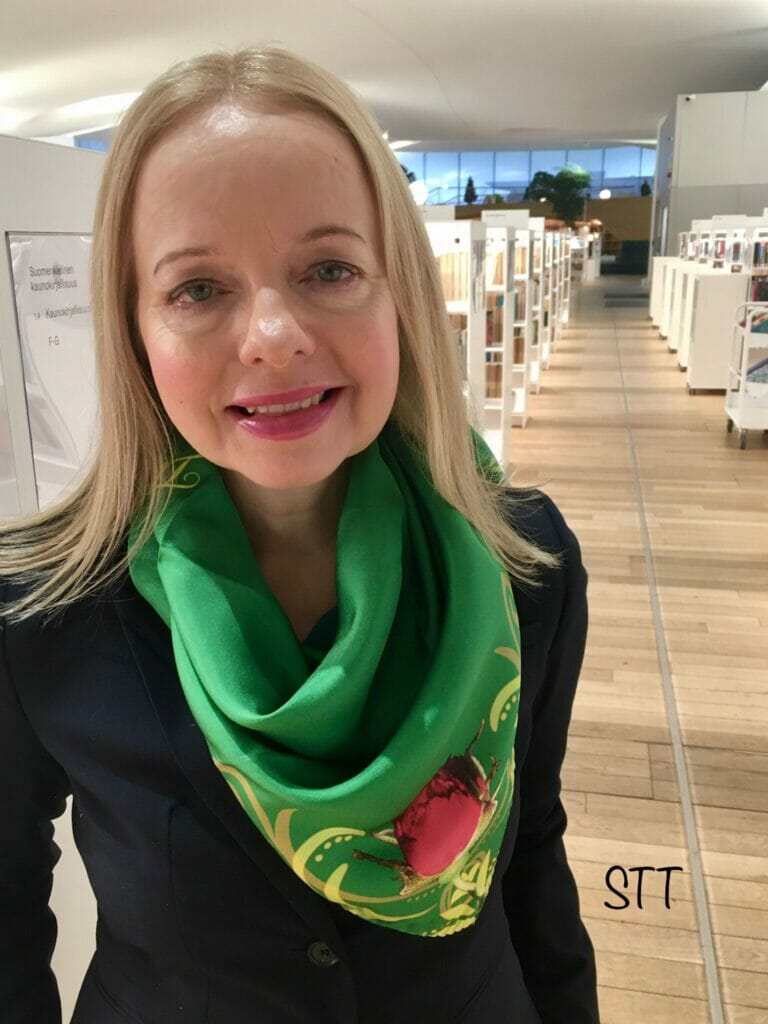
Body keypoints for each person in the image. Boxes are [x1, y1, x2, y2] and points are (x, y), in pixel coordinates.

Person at [0, 46, 599, 1024]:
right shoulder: (40, 612)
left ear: (398, 293)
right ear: (135, 330)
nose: (272, 336)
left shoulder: (526, 562)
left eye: (329, 268)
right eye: (199, 288)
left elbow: (531, 840)